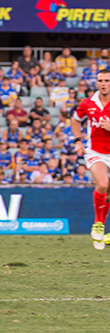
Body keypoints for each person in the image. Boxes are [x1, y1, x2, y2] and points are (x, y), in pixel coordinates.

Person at [71, 68, 110, 250]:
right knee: (102, 184)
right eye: (100, 80)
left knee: (108, 193)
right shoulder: (88, 103)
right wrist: (78, 141)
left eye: (107, 80)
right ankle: (98, 223)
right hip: (96, 152)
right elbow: (75, 119)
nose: (103, 84)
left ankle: (102, 228)